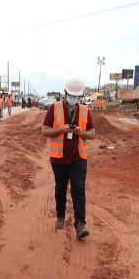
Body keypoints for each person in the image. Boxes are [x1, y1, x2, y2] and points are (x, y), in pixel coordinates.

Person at [40, 77, 96, 240]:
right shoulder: (54, 108)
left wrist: (80, 133)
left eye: (77, 96)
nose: (74, 99)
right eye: (72, 95)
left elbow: (92, 134)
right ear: (65, 93)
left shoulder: (85, 110)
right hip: (58, 158)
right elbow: (44, 130)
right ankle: (60, 216)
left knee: (78, 188)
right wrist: (61, 130)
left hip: (78, 156)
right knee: (61, 187)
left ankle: (80, 224)